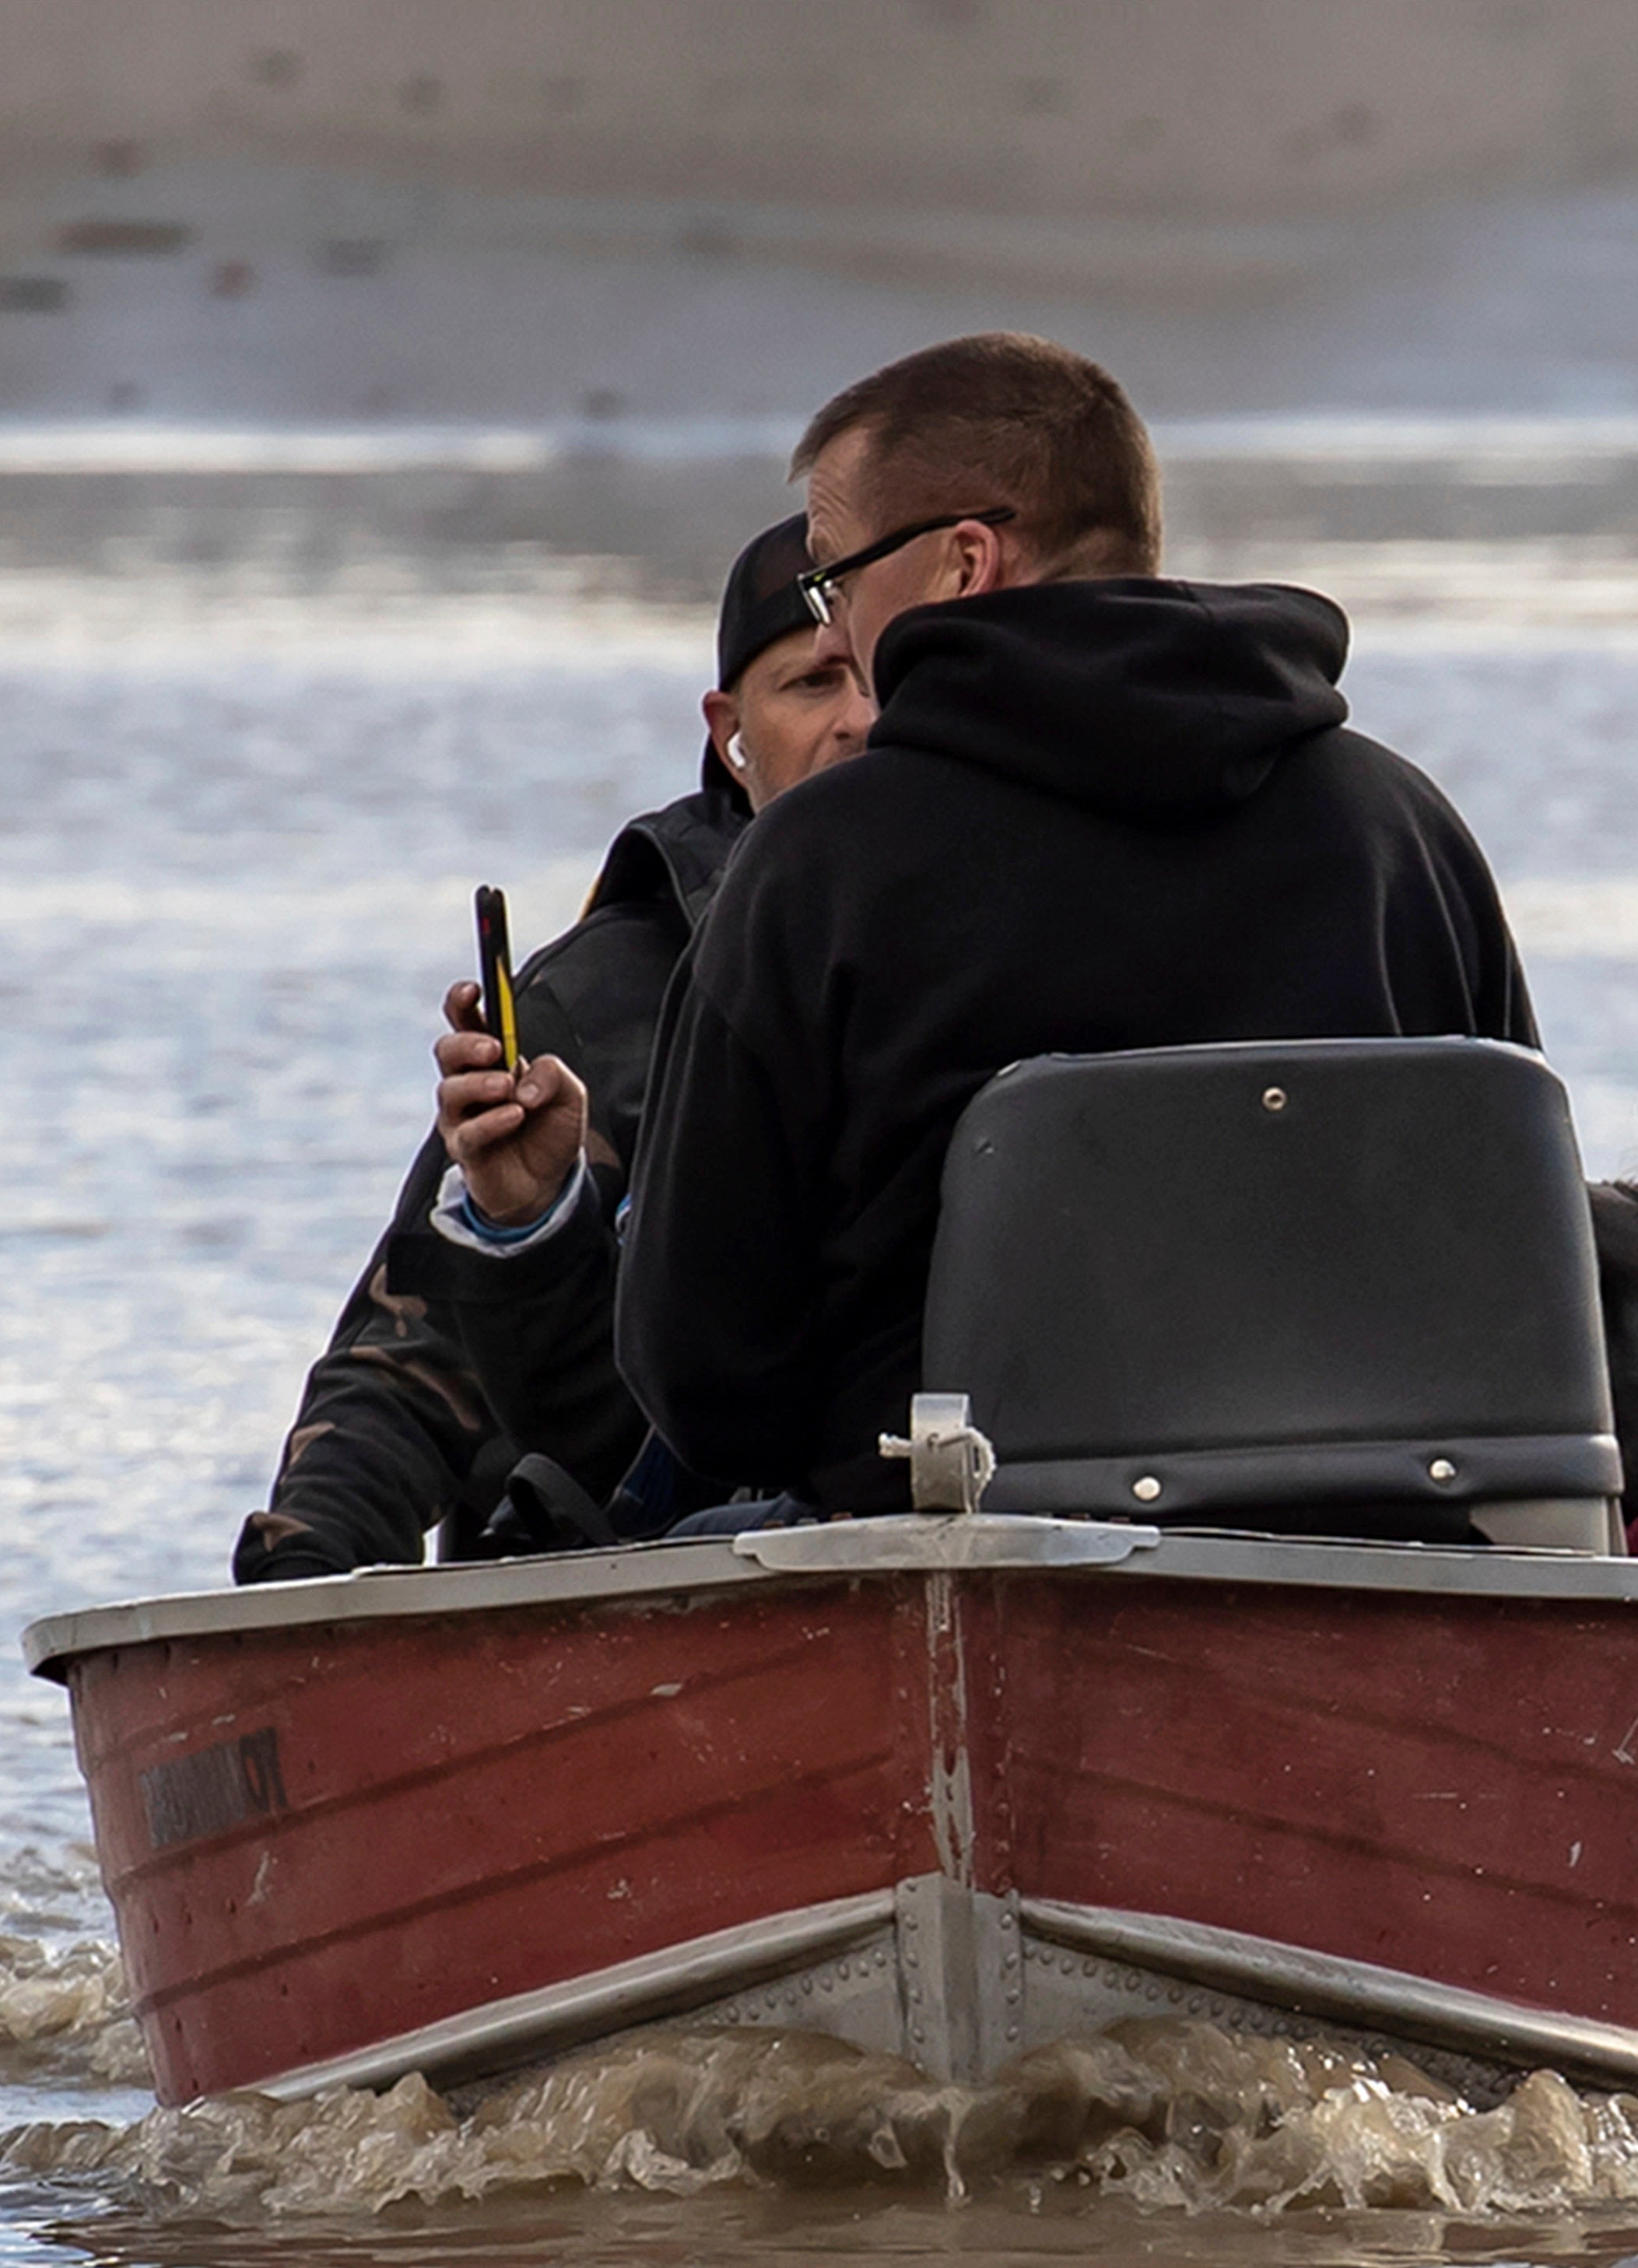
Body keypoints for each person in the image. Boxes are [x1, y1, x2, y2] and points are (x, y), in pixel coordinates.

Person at [615, 331, 1536, 1517]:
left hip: (947, 1559)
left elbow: (706, 1377)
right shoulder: (1398, 827)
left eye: (834, 578)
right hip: (1368, 1548)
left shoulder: (819, 866)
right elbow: (1518, 1256)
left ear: (963, 562)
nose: (833, 628)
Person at [228, 519, 869, 1577]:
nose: (856, 722)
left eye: (880, 676)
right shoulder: (592, 1009)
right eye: (810, 684)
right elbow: (407, 1368)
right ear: (730, 730)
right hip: (642, 1601)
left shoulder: (1022, 943)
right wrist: (303, 1590)